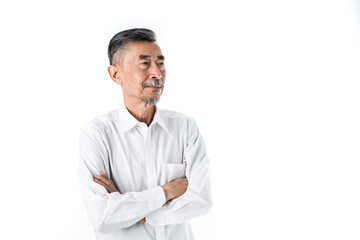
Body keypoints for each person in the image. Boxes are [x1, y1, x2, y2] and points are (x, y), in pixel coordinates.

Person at [78, 28, 212, 240]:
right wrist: (167, 192)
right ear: (115, 74)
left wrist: (135, 213)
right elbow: (102, 216)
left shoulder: (185, 128)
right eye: (145, 63)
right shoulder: (96, 135)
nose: (157, 73)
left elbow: (201, 200)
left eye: (160, 63)